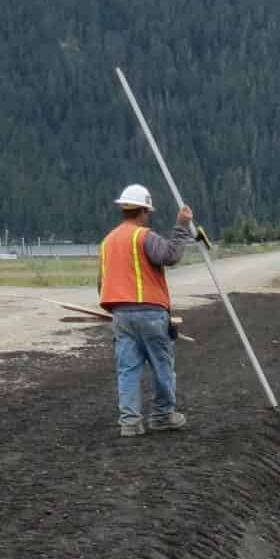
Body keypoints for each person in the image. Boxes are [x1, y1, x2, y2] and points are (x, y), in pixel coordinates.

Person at [99, 183, 192, 436]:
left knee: (128, 369)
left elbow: (102, 282)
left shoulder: (107, 242)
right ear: (144, 211)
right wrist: (182, 227)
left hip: (121, 315)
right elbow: (170, 256)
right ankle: (162, 416)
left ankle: (130, 422)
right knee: (162, 365)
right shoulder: (144, 236)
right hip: (150, 312)